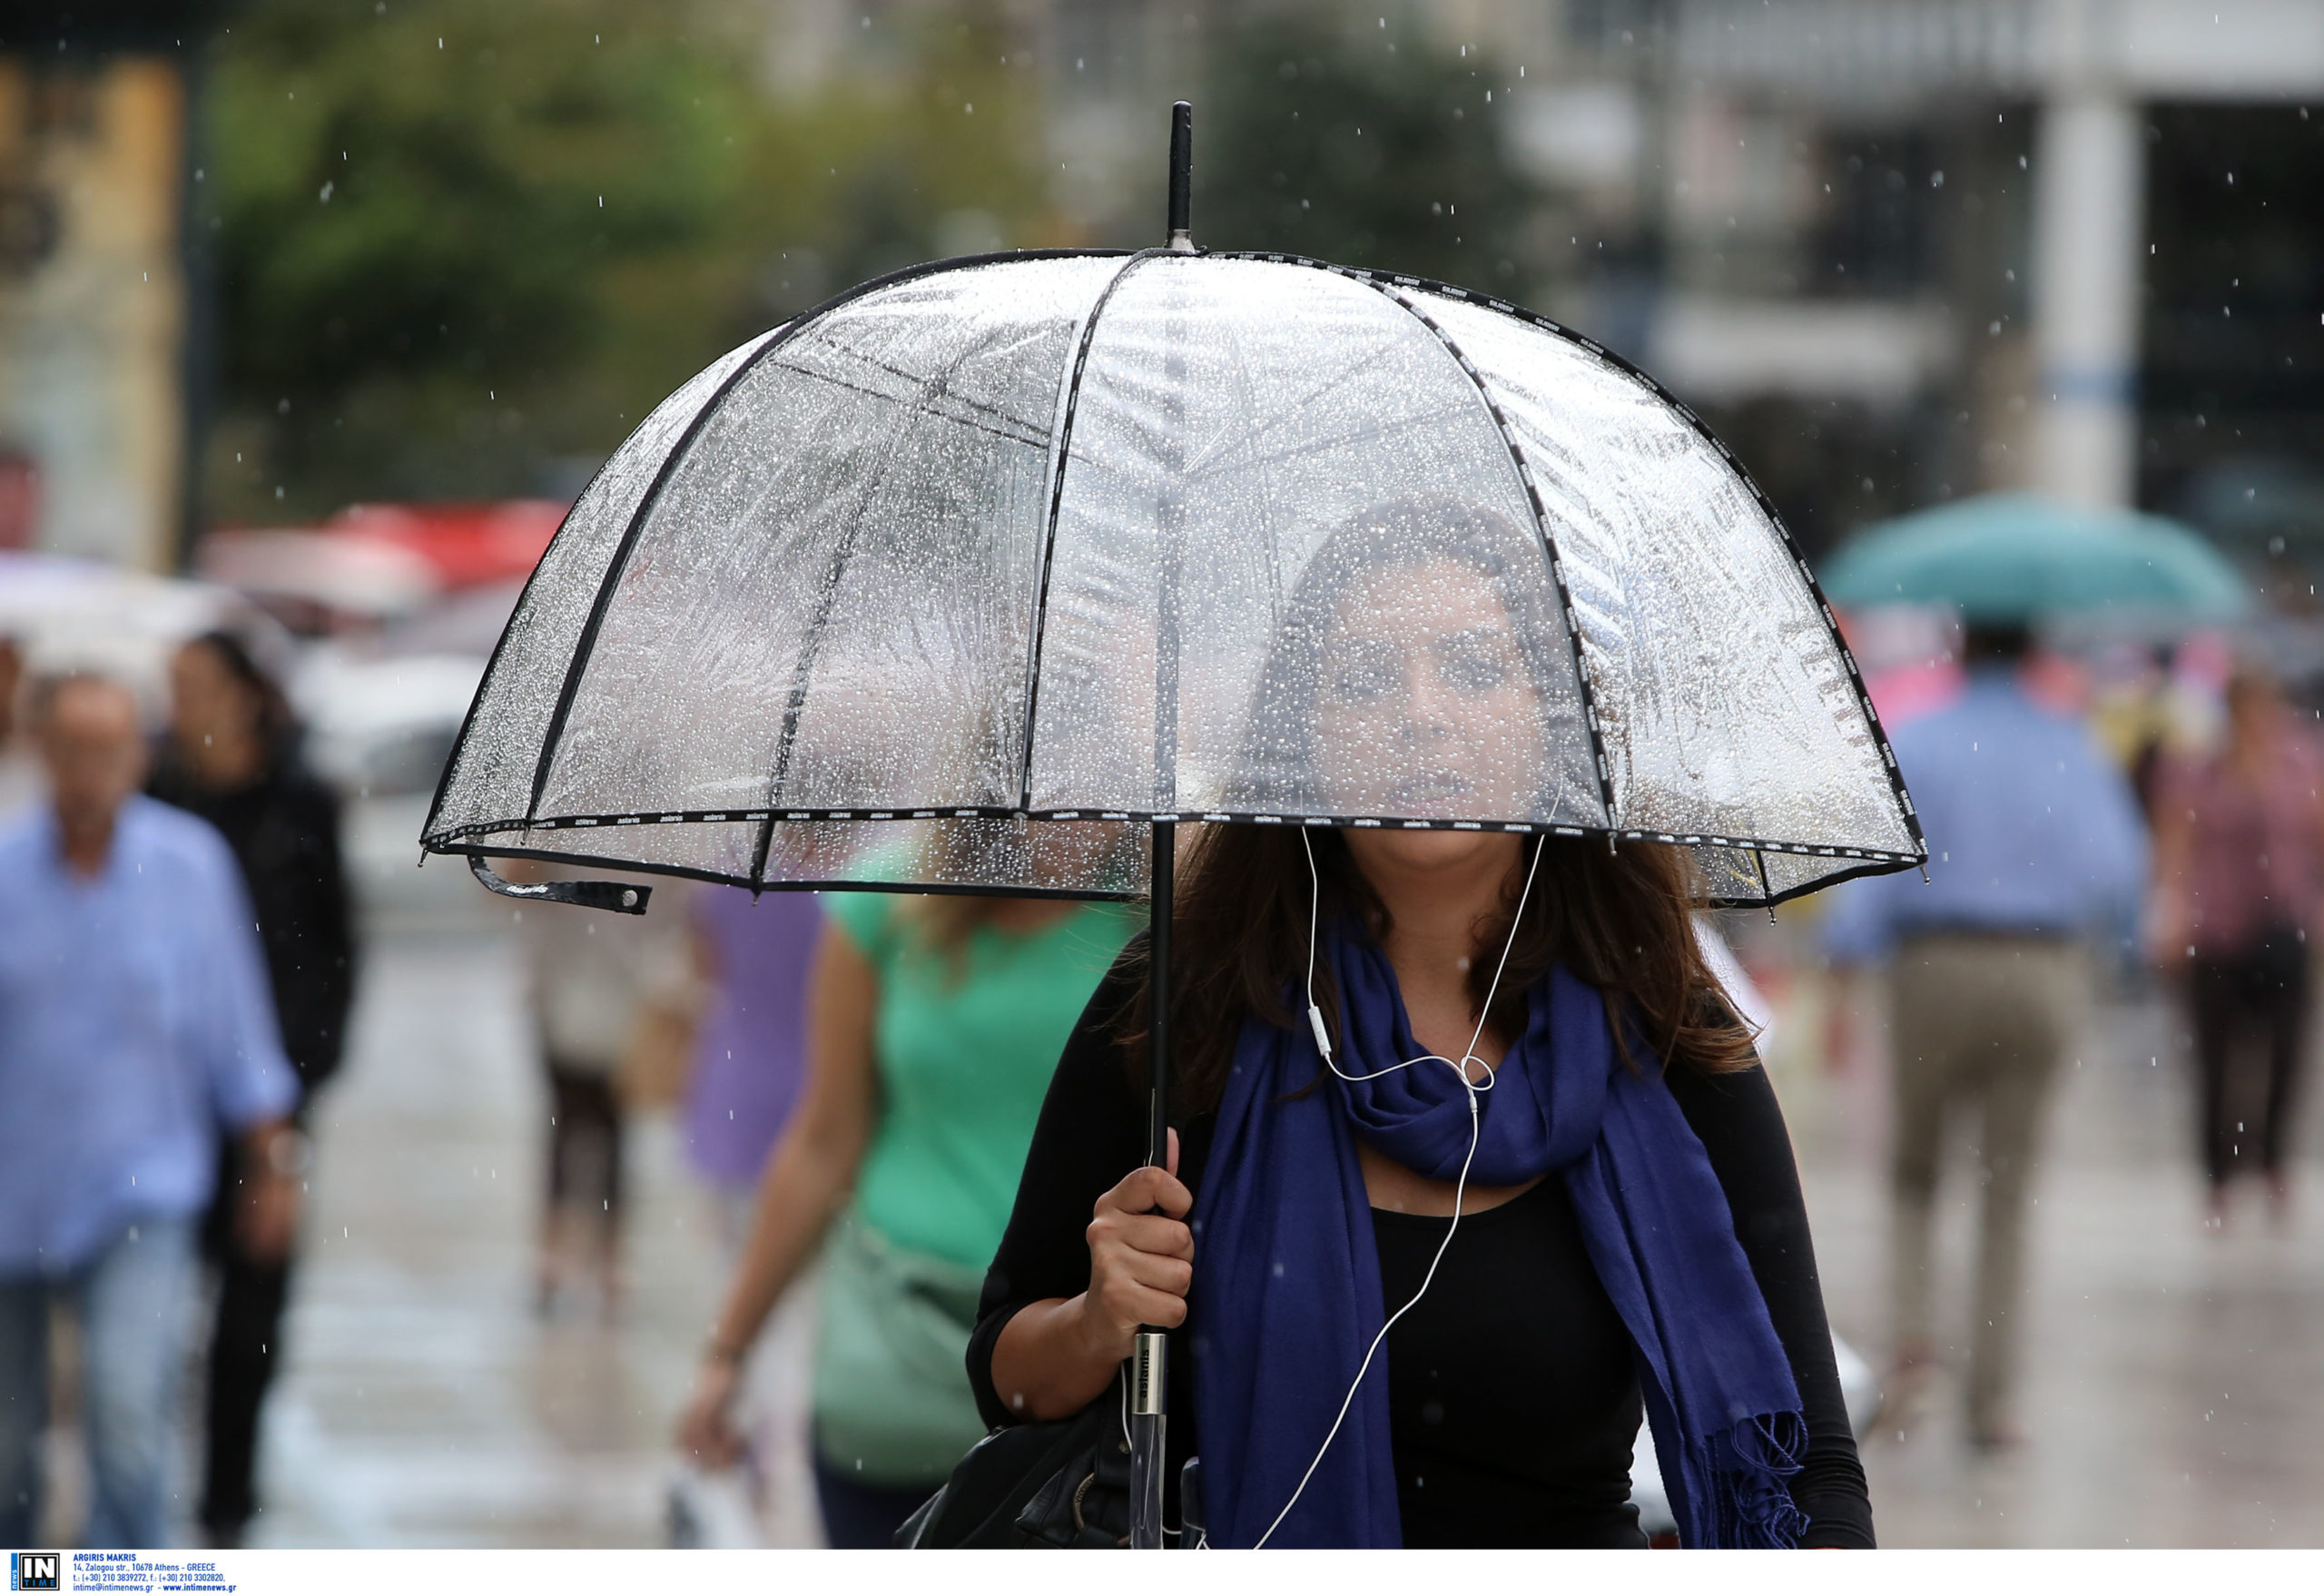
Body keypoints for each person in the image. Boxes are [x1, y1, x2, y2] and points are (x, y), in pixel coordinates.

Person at [970, 502, 1872, 1549]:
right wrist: (1097, 1320)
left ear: (1555, 719)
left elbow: (1807, 1457)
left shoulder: (1660, 1019)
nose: (1422, 713)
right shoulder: (1183, 1004)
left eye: (1476, 669)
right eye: (1361, 679)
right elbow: (1007, 1381)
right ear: (1296, 735)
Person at [676, 842, 1138, 1548]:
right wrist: (727, 1353)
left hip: (1084, 1378)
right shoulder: (889, 900)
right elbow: (824, 1144)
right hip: (894, 1373)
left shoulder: (1157, 908)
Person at [1823, 619, 2147, 1450]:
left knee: (1914, 1175)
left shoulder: (1923, 738)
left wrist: (1844, 968)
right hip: (2042, 969)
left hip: (1936, 964)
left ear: (1962, 651)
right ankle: (1993, 1402)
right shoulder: (2071, 743)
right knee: (2007, 1191)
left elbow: (1874, 863)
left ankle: (1914, 1355)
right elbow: (2118, 869)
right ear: (2035, 651)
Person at [0, 674, 301, 1547]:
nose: (90, 769)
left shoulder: (189, 866)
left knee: (128, 1420)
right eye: (72, 747)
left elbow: (237, 1034)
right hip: (15, 1193)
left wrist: (271, 1166)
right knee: (9, 1452)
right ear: (39, 750)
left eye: (110, 747)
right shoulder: (7, 874)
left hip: (144, 1186)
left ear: (140, 754)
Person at [146, 632, 355, 1545]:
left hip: (270, 1095)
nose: (184, 704)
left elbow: (337, 950)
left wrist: (301, 1075)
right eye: (174, 687)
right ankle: (147, 1493)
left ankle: (228, 1509)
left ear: (242, 694)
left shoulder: (299, 801)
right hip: (161, 1099)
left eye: (198, 685)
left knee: (251, 1315)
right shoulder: (155, 797)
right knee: (152, 1307)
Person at [2150, 667, 2324, 1225]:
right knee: (2215, 1059)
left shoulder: (2301, 764)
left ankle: (2272, 1160)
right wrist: (2170, 914)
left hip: (2286, 923)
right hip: (2217, 929)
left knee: (2286, 1054)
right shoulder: (2198, 770)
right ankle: (2218, 1174)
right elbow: (2174, 841)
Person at [678, 886, 823, 1544]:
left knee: (741, 1278)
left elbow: (704, 972)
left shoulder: (720, 885)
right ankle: (778, 1442)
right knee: (805, 1304)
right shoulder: (855, 894)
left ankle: (754, 1431)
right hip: (813, 1103)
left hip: (736, 1096)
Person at [516, 872, 689, 1317]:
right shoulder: (641, 843)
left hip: (588, 1002)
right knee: (593, 1131)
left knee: (576, 1130)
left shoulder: (564, 839)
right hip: (586, 1000)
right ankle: (591, 1263)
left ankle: (567, 1259)